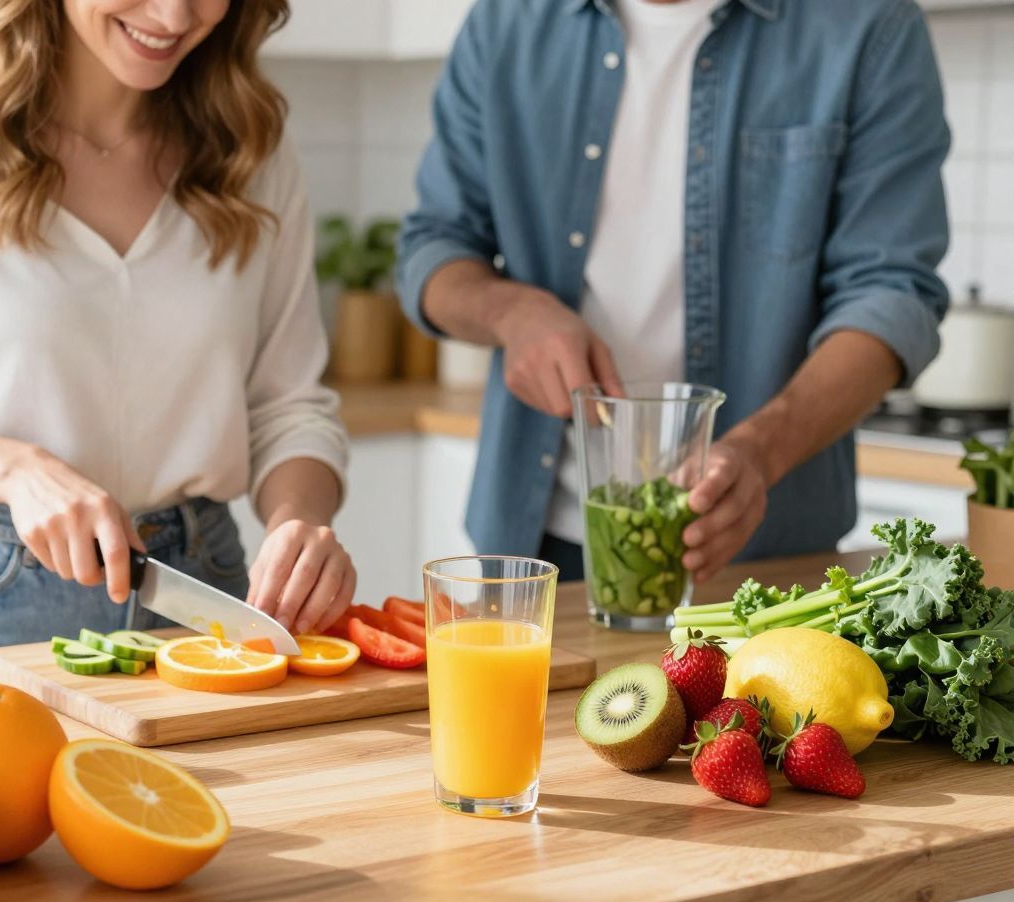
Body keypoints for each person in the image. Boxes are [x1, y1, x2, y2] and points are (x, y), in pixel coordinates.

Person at [0, 0, 355, 651]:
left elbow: (290, 404)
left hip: (204, 592)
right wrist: (15, 471)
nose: (173, 13)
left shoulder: (252, 152)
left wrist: (298, 522)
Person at [398, 0, 950, 582]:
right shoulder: (506, 21)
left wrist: (760, 452)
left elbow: (892, 293)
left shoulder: (868, 25)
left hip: (766, 557)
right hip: (529, 552)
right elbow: (433, 249)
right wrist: (512, 313)